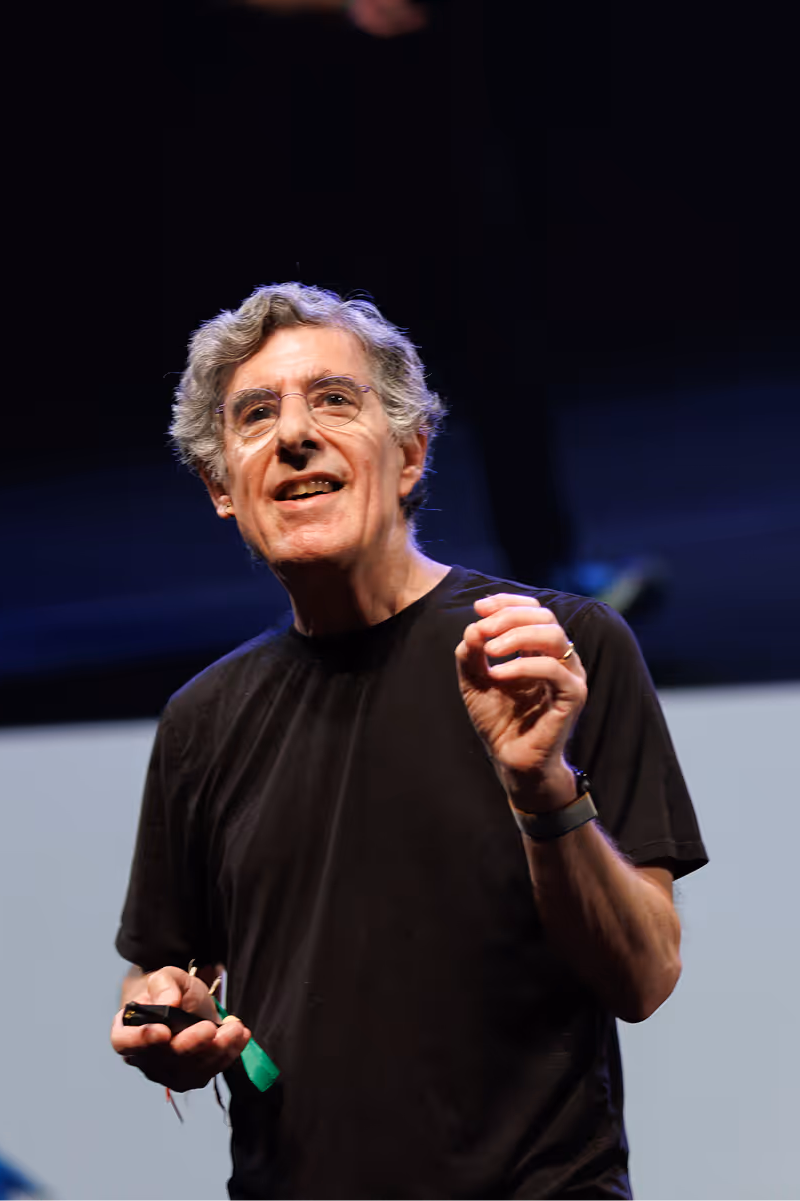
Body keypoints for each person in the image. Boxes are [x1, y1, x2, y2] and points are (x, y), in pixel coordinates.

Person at [110, 283, 707, 1199]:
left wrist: (543, 786)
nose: (295, 435)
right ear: (223, 487)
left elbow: (645, 975)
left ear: (412, 453)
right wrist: (171, 1026)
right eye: (257, 415)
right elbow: (168, 975)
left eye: (334, 401)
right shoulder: (202, 719)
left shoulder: (552, 646)